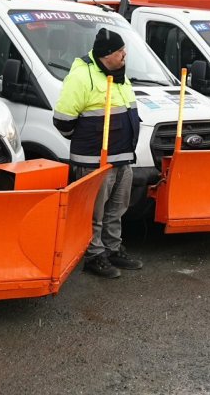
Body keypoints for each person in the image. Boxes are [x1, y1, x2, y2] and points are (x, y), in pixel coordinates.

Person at [53, 27, 143, 278]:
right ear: (106, 55)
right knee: (95, 211)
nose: (125, 54)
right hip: (94, 159)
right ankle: (94, 255)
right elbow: (63, 120)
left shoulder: (120, 74)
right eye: (119, 50)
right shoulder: (82, 76)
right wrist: (87, 141)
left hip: (121, 156)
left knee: (117, 208)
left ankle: (112, 249)